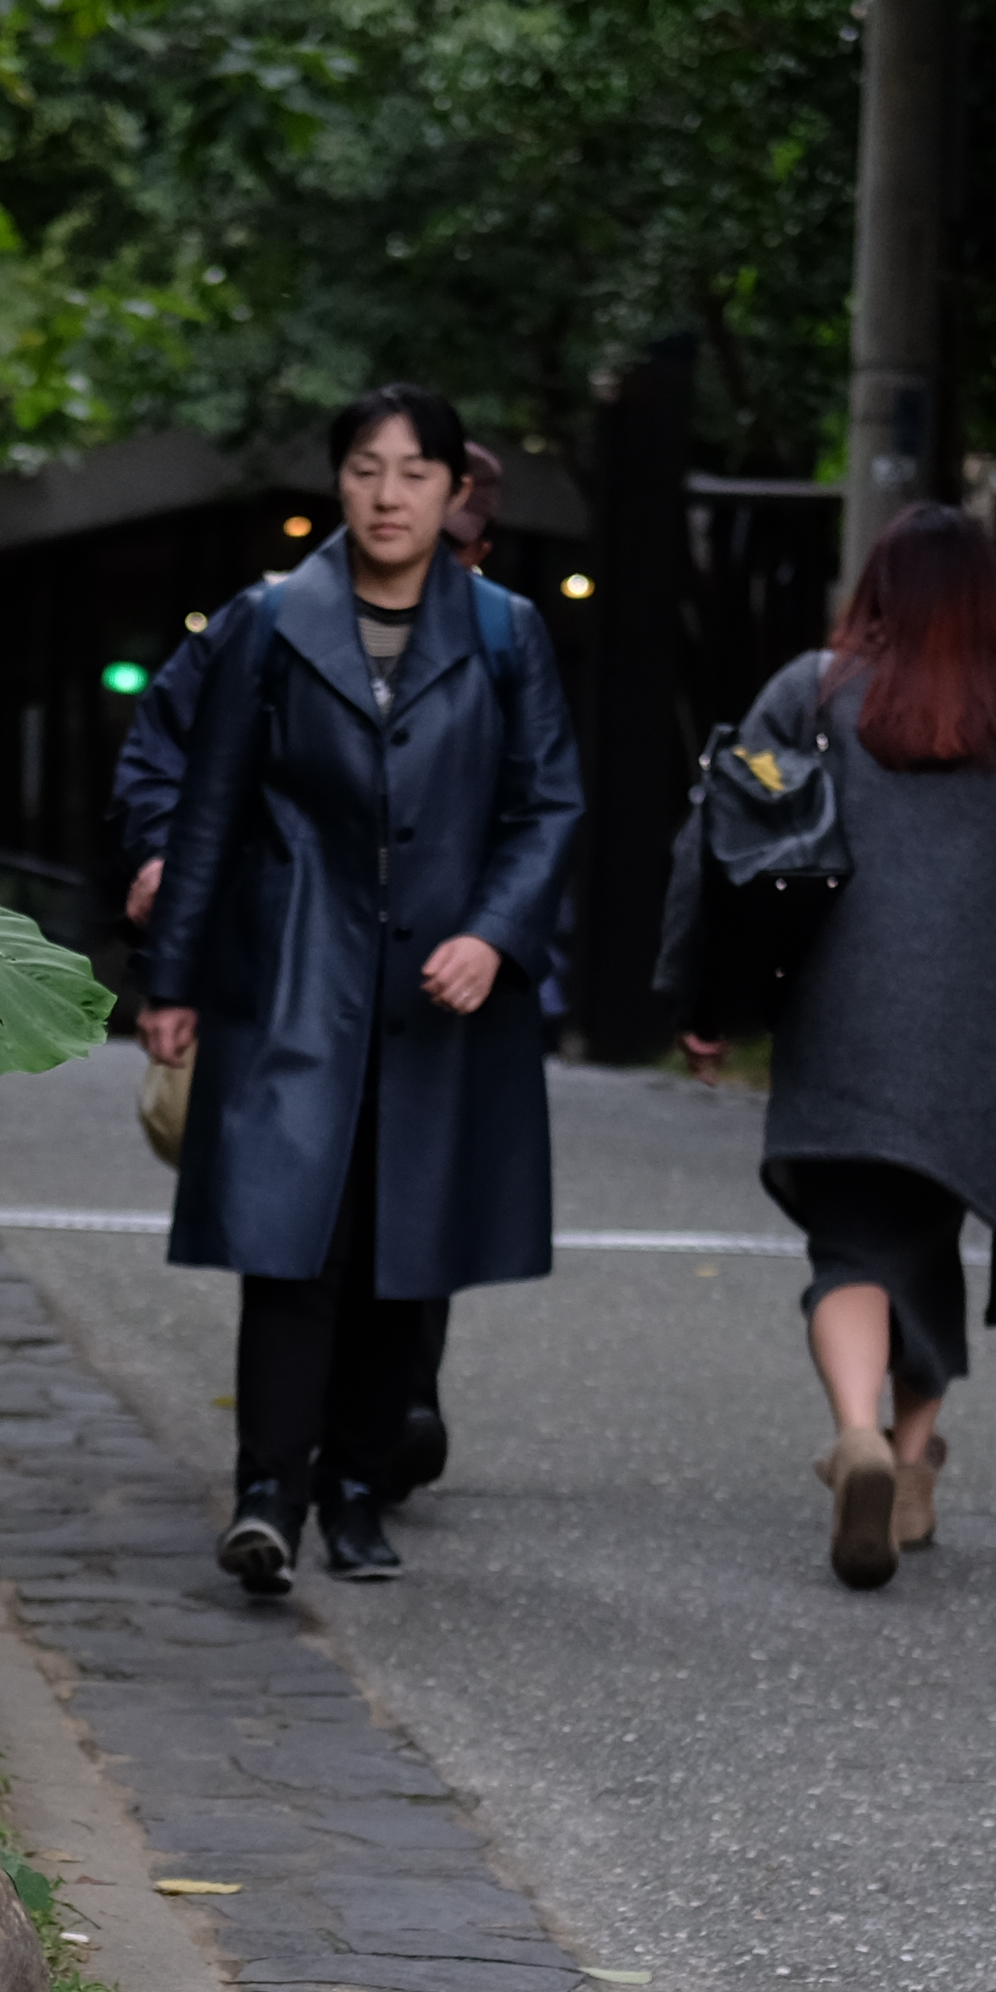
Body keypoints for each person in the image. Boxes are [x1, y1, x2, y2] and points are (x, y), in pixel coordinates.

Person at [139, 386, 583, 1594]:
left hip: (443, 992)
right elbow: (211, 804)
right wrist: (170, 979)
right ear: (337, 484)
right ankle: (269, 1494)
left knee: (408, 1244)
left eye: (415, 474)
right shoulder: (267, 623)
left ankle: (358, 1486)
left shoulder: (505, 633)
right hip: (296, 976)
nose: (389, 496)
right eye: (367, 471)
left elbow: (548, 806)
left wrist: (493, 933)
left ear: (454, 494)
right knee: (293, 1244)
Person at [664, 504, 996, 1588]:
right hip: (993, 1044)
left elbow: (718, 834)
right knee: (924, 1242)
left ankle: (859, 1435)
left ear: (875, 588)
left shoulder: (811, 692)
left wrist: (702, 993)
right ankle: (911, 1471)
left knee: (852, 1251)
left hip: (846, 1021)